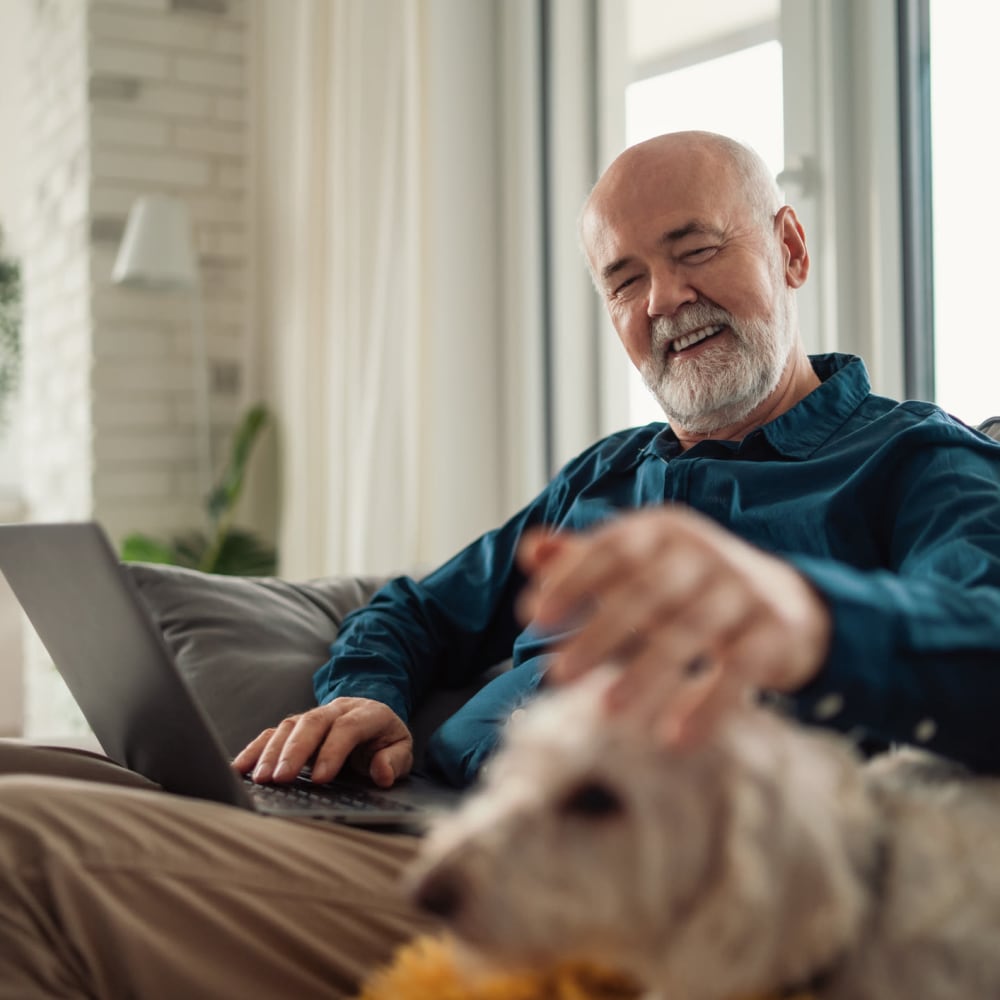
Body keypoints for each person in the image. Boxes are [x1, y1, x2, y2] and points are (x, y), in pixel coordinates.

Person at [3, 130, 1000, 998]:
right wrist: (368, 692)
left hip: (554, 899)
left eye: (695, 249)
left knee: (15, 847)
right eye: (624, 279)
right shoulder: (609, 473)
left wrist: (806, 615)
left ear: (787, 248)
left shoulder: (915, 461)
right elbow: (416, 610)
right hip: (408, 821)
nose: (665, 299)